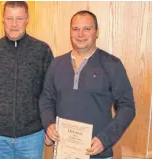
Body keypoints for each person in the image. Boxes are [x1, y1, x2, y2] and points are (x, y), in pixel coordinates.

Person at [39, 10, 136, 158]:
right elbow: (46, 99)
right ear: (70, 32)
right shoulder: (57, 64)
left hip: (98, 153)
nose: (80, 34)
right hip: (64, 152)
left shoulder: (112, 64)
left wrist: (105, 139)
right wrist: (49, 124)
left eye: (87, 29)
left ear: (97, 32)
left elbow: (127, 107)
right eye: (75, 29)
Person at [0, 1, 54, 159]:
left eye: (19, 18)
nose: (14, 24)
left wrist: (49, 125)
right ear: (3, 19)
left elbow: (50, 93)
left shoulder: (42, 50)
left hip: (32, 136)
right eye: (9, 18)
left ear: (27, 19)